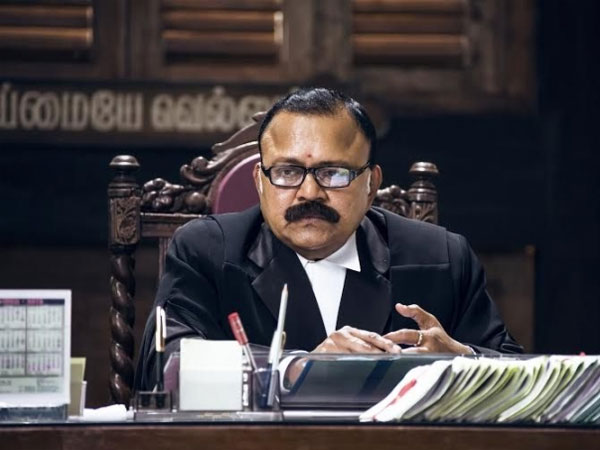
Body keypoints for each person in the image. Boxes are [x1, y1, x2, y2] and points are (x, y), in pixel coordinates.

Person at [135, 88, 522, 391]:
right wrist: (298, 368)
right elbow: (165, 366)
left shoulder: (442, 257)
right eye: (287, 172)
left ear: (371, 184)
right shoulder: (206, 250)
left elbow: (523, 377)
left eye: (333, 173)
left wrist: (464, 361)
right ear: (260, 182)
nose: (309, 193)